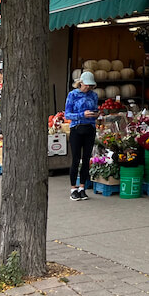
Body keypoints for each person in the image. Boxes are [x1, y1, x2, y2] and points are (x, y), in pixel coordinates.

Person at [65, 71, 99, 200]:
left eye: (90, 86)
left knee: (86, 160)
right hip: (77, 128)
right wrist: (81, 115)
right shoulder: (72, 95)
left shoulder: (94, 95)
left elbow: (96, 109)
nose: (88, 88)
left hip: (90, 127)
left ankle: (82, 187)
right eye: (86, 85)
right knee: (75, 159)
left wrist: (96, 114)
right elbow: (67, 114)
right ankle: (73, 188)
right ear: (80, 83)